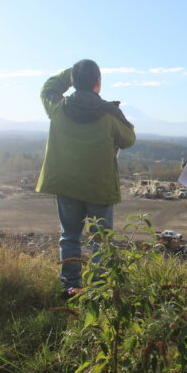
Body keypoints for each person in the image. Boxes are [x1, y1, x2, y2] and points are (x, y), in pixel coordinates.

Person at [36, 59, 136, 298]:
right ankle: (98, 291)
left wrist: (73, 74)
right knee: (102, 240)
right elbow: (129, 139)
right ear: (98, 83)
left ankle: (70, 287)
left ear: (73, 82)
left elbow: (47, 87)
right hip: (99, 188)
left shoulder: (58, 108)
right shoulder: (109, 114)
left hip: (66, 185)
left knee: (69, 236)